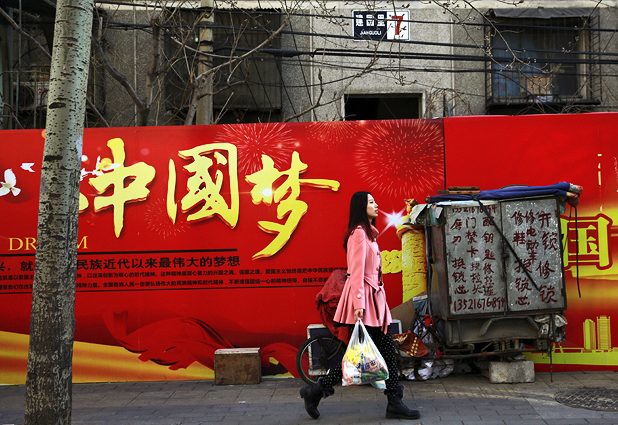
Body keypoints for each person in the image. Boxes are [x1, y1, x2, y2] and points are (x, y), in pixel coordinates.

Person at [300, 191, 420, 420]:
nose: (376, 205)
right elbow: (355, 272)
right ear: (360, 207)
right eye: (371, 202)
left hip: (373, 301)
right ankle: (393, 402)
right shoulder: (358, 234)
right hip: (366, 302)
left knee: (366, 355)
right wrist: (358, 305)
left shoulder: (368, 234)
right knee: (376, 354)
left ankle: (316, 391)